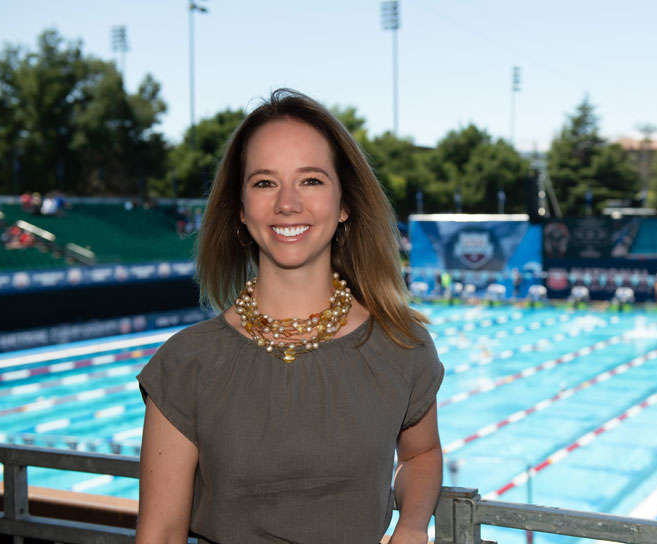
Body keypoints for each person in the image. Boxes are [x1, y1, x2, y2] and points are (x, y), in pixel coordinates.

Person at [136, 89, 444, 544]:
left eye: (311, 180)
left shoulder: (402, 345)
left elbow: (422, 455)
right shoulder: (188, 363)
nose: (287, 203)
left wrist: (413, 525)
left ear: (345, 205)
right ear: (240, 211)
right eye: (264, 182)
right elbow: (160, 533)